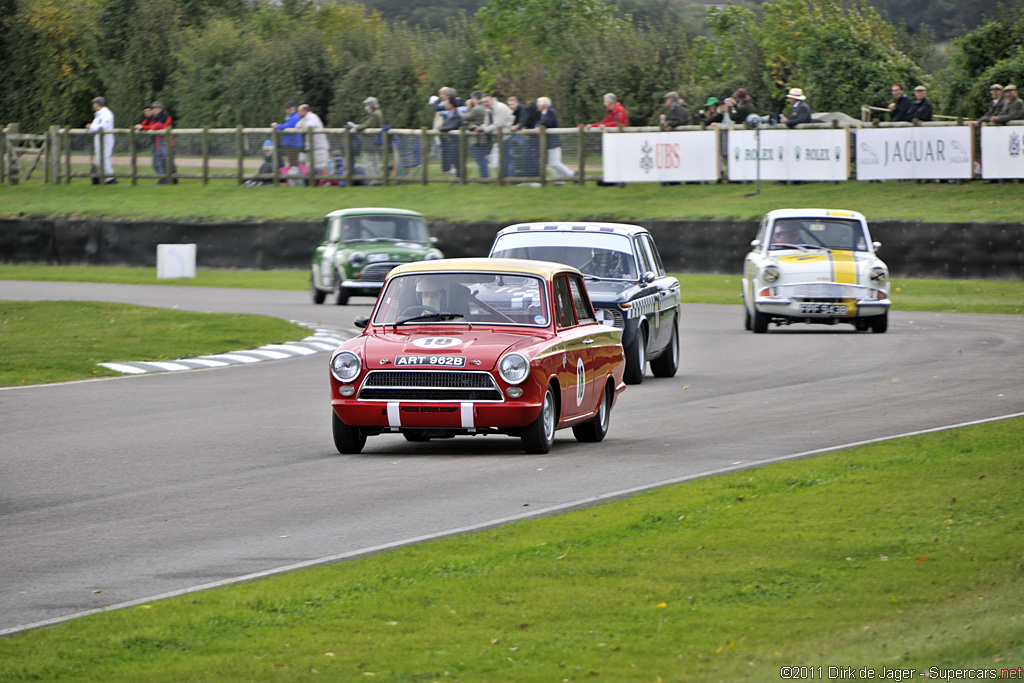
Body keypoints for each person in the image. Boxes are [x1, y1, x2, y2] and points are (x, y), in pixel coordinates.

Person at [535, 96, 573, 180]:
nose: (537, 105)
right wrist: (538, 126)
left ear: (543, 105)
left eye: (538, 104)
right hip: (549, 142)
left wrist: (539, 126)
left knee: (554, 163)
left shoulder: (551, 112)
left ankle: (571, 174)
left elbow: (546, 122)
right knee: (553, 163)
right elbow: (539, 122)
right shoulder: (543, 113)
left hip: (553, 142)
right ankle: (559, 181)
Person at [138, 100, 173, 183]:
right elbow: (148, 124)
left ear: (160, 108)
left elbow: (156, 126)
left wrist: (142, 127)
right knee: (159, 162)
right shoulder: (156, 116)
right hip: (158, 141)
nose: (155, 110)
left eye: (156, 108)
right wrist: (142, 126)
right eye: (154, 108)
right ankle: (165, 178)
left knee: (162, 161)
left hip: (164, 141)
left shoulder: (164, 116)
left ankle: (165, 179)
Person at [352, 96, 384, 180]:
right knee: (375, 161)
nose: (365, 107)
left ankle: (373, 180)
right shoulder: (377, 113)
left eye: (366, 105)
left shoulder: (374, 114)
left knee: (367, 162)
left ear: (371, 106)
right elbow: (368, 123)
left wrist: (357, 127)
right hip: (374, 142)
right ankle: (376, 179)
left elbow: (368, 125)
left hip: (371, 143)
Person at [480, 94, 513, 176]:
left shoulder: (499, 107)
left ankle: (508, 179)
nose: (485, 103)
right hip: (500, 137)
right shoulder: (488, 109)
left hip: (509, 136)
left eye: (487, 101)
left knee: (507, 159)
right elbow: (486, 123)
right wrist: (479, 127)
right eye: (483, 102)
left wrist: (483, 129)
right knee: (502, 159)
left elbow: (498, 124)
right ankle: (503, 178)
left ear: (491, 100)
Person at [508, 95, 540, 177]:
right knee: (526, 155)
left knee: (534, 156)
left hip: (536, 135)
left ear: (517, 103)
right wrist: (513, 126)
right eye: (509, 104)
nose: (511, 106)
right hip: (531, 136)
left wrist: (516, 127)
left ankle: (535, 177)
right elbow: (515, 123)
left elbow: (522, 122)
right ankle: (528, 177)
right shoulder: (517, 112)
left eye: (512, 104)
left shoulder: (523, 110)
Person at [87, 96, 116, 184]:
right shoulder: (98, 114)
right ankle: (107, 177)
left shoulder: (106, 113)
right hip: (99, 139)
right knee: (100, 159)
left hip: (106, 138)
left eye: (94, 103)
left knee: (104, 158)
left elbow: (104, 126)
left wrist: (91, 127)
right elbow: (95, 126)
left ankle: (110, 178)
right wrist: (91, 127)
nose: (93, 105)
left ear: (98, 104)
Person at [296, 104, 329, 173]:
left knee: (322, 168)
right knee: (314, 169)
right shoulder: (303, 119)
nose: (298, 113)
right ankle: (319, 183)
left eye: (299, 111)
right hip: (312, 148)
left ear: (305, 111)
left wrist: (303, 127)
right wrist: (301, 127)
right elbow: (297, 125)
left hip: (319, 148)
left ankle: (327, 182)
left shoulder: (312, 117)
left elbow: (310, 126)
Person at [463, 91, 489, 178]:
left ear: (475, 99)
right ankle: (484, 178)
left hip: (477, 139)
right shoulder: (484, 107)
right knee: (482, 159)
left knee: (480, 160)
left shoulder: (476, 109)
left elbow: (465, 117)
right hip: (483, 138)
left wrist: (468, 107)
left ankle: (484, 179)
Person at [437, 97, 463, 176]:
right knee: (454, 161)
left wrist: (442, 128)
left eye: (447, 103)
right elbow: (447, 124)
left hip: (457, 142)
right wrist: (443, 125)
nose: (445, 104)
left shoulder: (457, 114)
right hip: (451, 141)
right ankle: (458, 179)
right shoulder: (449, 113)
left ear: (451, 105)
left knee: (458, 162)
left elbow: (452, 126)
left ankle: (460, 179)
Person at [271, 102, 302, 167]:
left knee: (294, 164)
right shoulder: (289, 117)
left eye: (289, 108)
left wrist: (277, 126)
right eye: (287, 109)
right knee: (291, 164)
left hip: (294, 145)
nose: (287, 110)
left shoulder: (295, 117)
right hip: (290, 144)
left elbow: (289, 126)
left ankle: (295, 176)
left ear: (293, 108)